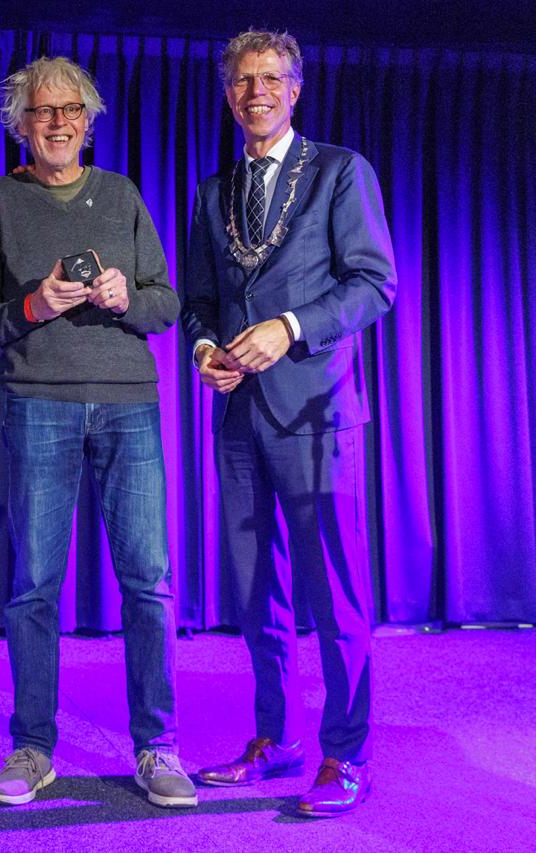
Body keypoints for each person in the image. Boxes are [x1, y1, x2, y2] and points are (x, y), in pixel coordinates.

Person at [180, 30, 396, 817]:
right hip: (237, 413)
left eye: (271, 77)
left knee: (333, 591)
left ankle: (345, 752)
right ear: (229, 93)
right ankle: (278, 739)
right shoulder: (214, 192)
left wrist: (291, 326)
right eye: (243, 79)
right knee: (255, 589)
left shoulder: (340, 171)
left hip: (315, 412)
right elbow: (200, 301)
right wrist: (206, 347)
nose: (257, 89)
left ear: (296, 89)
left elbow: (375, 283)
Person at [0, 56, 195, 809]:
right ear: (21, 126)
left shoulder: (123, 194)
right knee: (33, 585)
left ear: (89, 122)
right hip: (38, 402)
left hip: (129, 402)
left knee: (149, 584)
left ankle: (157, 746)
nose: (58, 122)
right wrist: (35, 304)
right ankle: (33, 746)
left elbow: (166, 306)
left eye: (71, 110)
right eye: (41, 112)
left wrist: (128, 294)